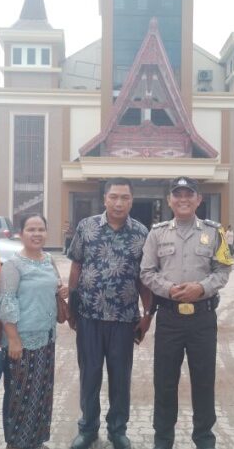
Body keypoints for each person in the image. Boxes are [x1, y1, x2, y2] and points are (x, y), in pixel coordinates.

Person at [140, 176, 233, 449]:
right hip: (169, 318)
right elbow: (146, 272)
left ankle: (204, 439)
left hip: (202, 318)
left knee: (204, 381)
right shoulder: (156, 233)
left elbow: (224, 270)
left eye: (188, 195)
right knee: (165, 381)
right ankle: (163, 439)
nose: (183, 200)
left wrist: (201, 288)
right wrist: (169, 289)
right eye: (177, 195)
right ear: (169, 200)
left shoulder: (215, 233)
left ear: (198, 200)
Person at [67, 177, 153, 449]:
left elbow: (143, 278)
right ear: (105, 199)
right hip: (89, 316)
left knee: (120, 377)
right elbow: (76, 267)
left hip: (124, 320)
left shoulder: (141, 233)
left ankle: (118, 430)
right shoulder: (87, 227)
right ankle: (88, 428)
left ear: (131, 200)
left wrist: (147, 313)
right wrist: (71, 306)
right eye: (114, 197)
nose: (119, 203)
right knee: (90, 374)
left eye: (124, 197)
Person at [0, 213, 68, 449]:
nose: (37, 234)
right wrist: (14, 339)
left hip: (46, 339)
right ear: (20, 234)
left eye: (41, 229)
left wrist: (62, 292)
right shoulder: (12, 266)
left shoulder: (49, 260)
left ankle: (36, 441)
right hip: (22, 343)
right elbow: (6, 303)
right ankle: (17, 443)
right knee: (20, 395)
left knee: (41, 393)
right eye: (31, 229)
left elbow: (55, 288)